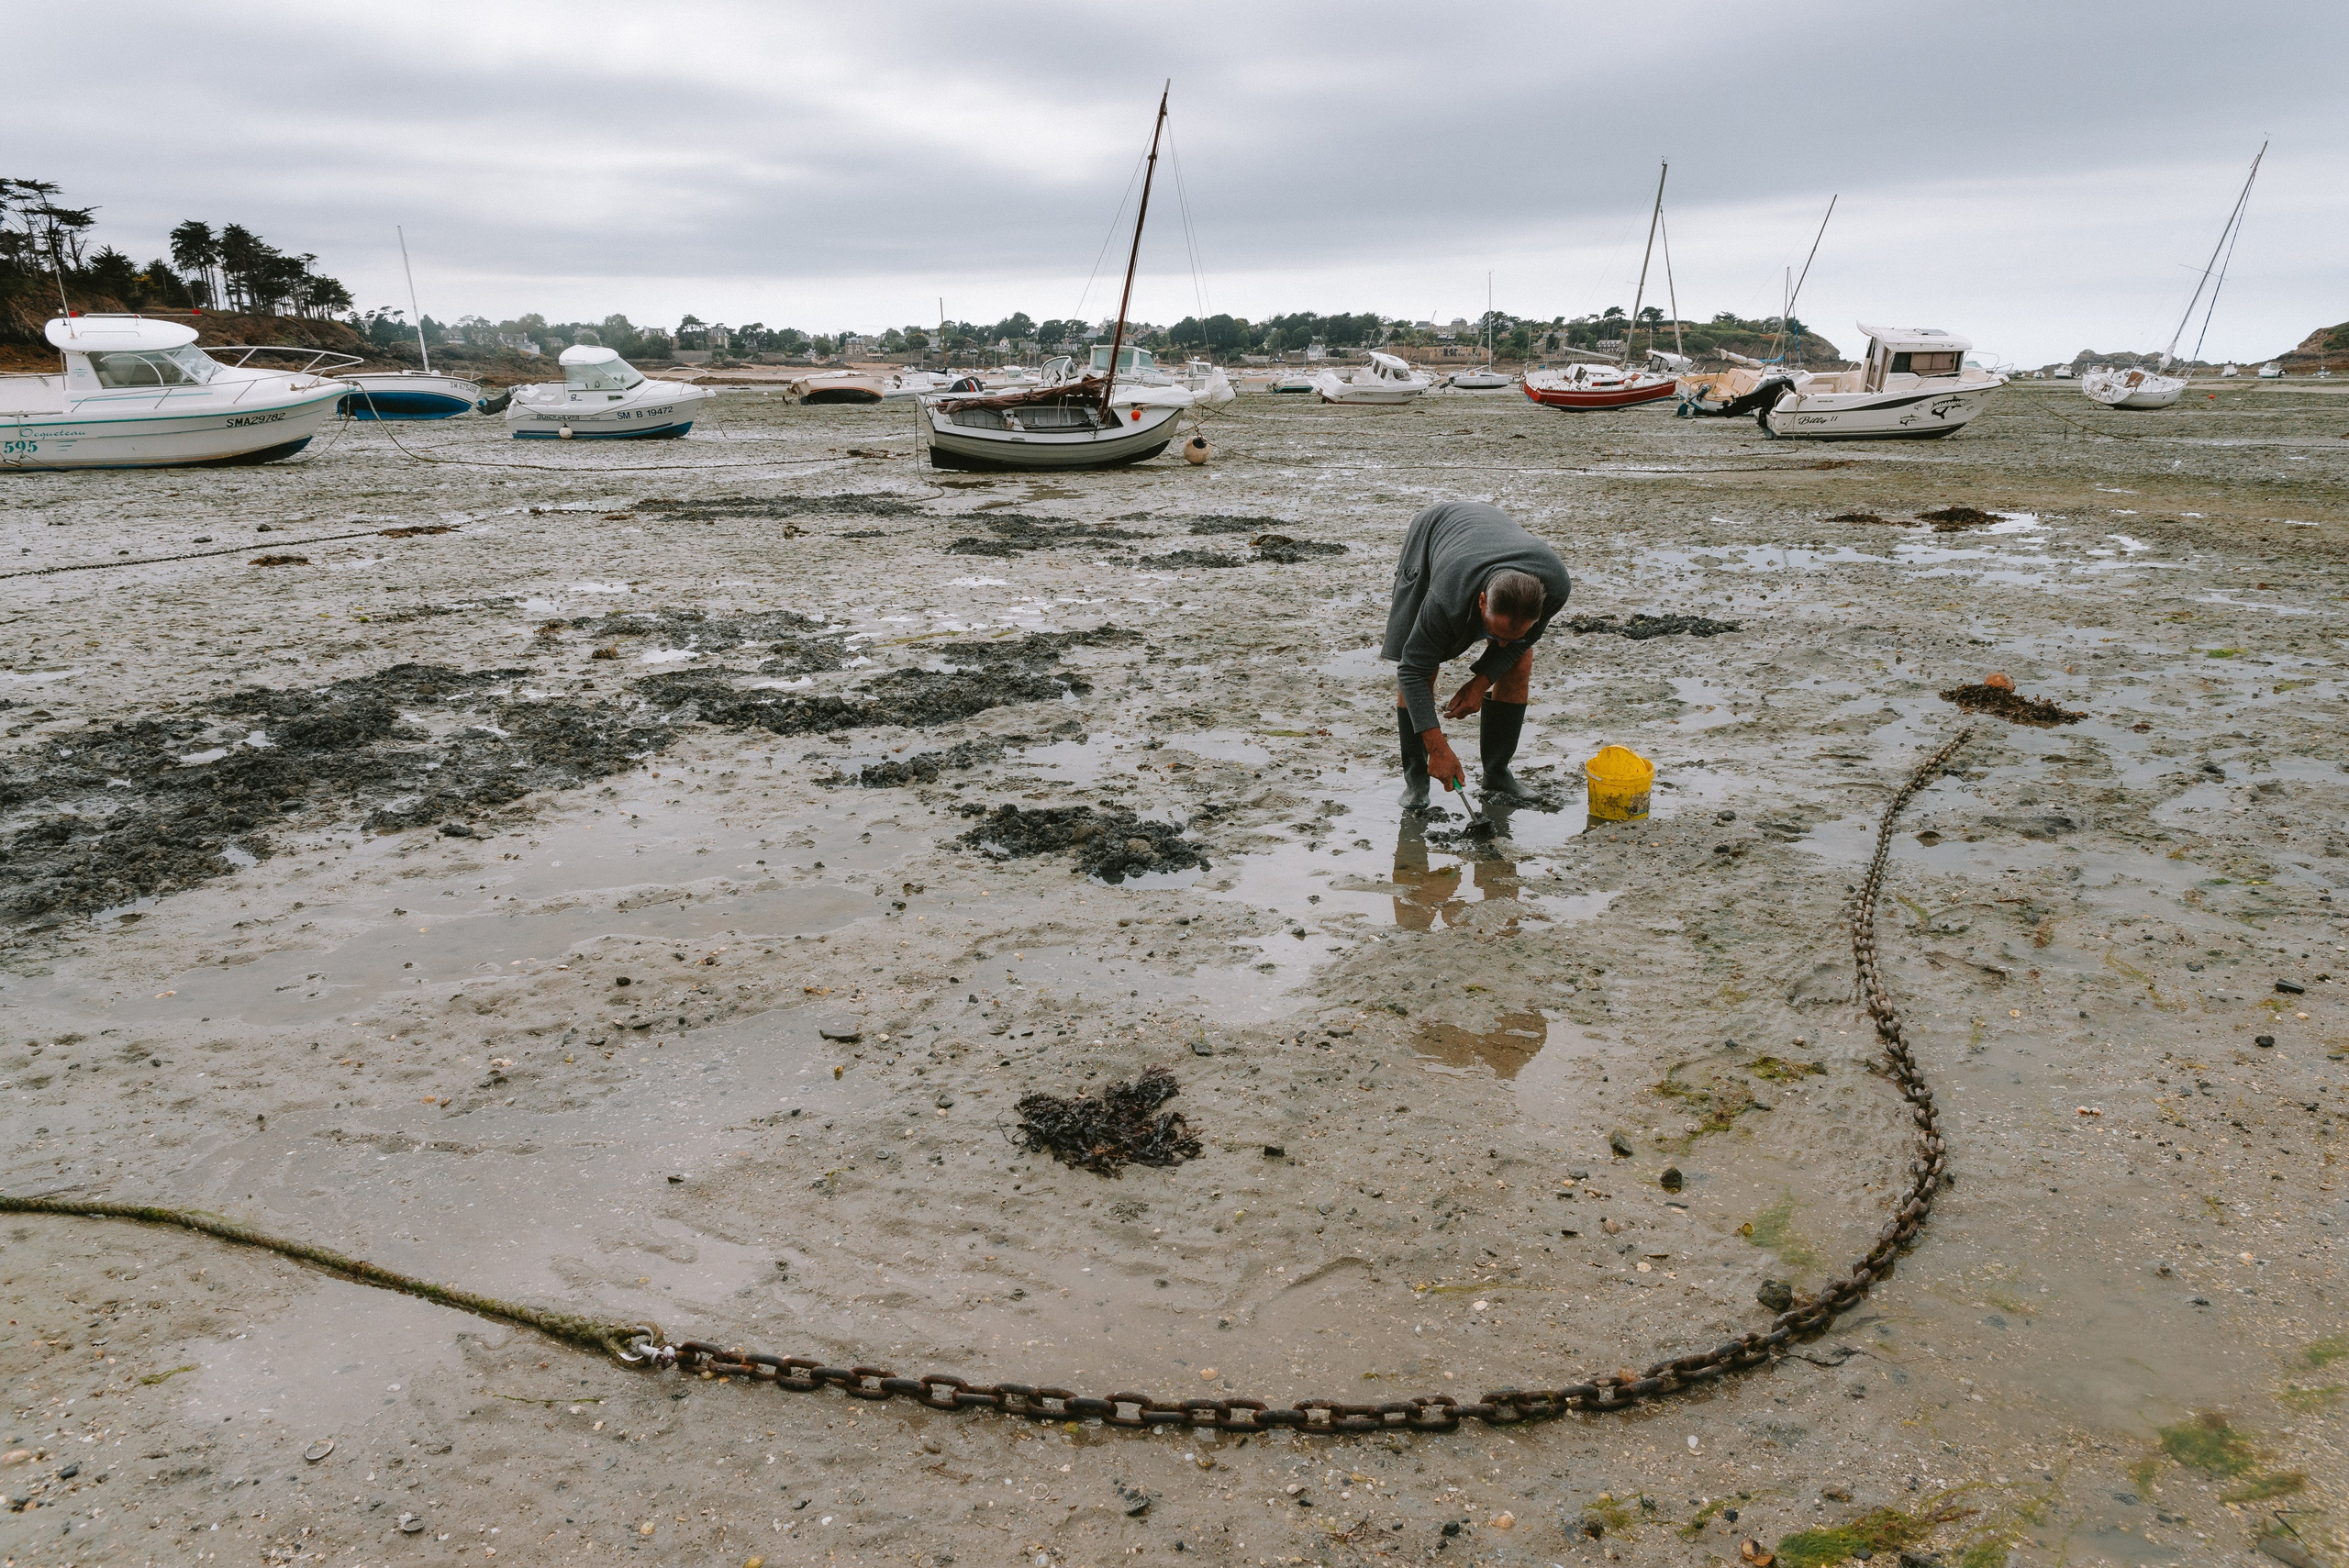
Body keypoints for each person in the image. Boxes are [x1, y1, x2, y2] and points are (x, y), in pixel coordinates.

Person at [1379, 499, 1570, 809]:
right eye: (1495, 635)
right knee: (1424, 665)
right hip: (1434, 535)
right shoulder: (1446, 596)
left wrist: (1481, 683)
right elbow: (1411, 670)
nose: (1501, 644)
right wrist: (1439, 749)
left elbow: (1519, 643)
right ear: (1482, 602)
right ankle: (1416, 782)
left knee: (1520, 659)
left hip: (1485, 537)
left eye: (1513, 635)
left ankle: (1497, 773)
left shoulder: (1555, 585)